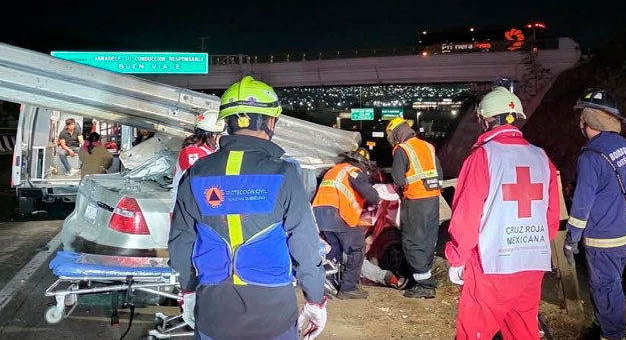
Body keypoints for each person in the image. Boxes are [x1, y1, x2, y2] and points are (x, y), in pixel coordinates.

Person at [168, 76, 327, 340]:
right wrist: (315, 300)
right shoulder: (284, 173)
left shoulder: (195, 173)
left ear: (227, 122)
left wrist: (188, 291)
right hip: (273, 314)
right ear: (270, 122)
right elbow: (305, 244)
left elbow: (181, 243)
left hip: (213, 310)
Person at [445, 86, 560, 339]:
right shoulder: (541, 157)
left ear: (485, 120)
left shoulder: (483, 156)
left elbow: (467, 217)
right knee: (523, 331)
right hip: (532, 263)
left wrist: (458, 258)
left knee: (474, 333)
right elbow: (551, 218)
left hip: (491, 264)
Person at [564, 90, 626, 340]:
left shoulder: (590, 156)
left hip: (602, 238)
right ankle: (602, 327)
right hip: (625, 234)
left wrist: (571, 240)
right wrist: (613, 189)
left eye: (582, 117)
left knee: (606, 289)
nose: (580, 122)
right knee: (610, 284)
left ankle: (612, 335)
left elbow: (581, 206)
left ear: (588, 120)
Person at [312, 147, 382, 299]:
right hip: (337, 215)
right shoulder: (353, 171)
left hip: (320, 214)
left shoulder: (334, 170)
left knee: (333, 250)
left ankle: (330, 283)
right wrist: (377, 199)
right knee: (357, 247)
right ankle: (348, 287)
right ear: (363, 164)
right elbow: (370, 194)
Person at [385, 116, 443, 298]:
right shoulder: (428, 146)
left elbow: (398, 180)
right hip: (433, 200)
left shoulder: (402, 150)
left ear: (396, 135)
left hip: (415, 201)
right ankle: (423, 276)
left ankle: (425, 284)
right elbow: (439, 174)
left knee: (412, 242)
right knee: (427, 240)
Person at [171, 110, 225, 210]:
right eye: (221, 135)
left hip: (196, 206)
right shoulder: (194, 152)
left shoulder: (208, 151)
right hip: (188, 208)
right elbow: (197, 184)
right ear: (214, 135)